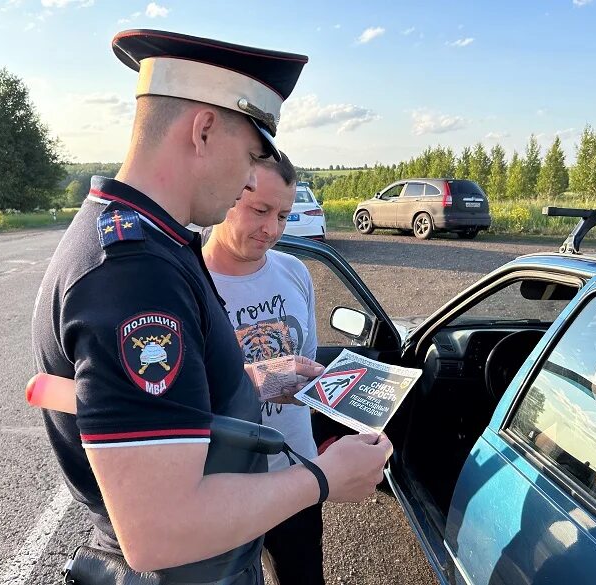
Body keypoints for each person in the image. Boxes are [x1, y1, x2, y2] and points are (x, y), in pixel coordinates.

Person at [31, 28, 392, 584]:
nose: (250, 179)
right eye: (252, 157)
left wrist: (258, 378)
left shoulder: (151, 241)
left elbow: (169, 406)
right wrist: (323, 478)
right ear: (202, 130)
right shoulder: (134, 274)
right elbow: (159, 531)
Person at [202, 152, 323, 584]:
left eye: (285, 215)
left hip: (295, 475)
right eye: (260, 210)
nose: (272, 229)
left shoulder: (294, 272)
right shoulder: (191, 284)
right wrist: (269, 380)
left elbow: (306, 359)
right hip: (222, 487)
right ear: (228, 195)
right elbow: (184, 397)